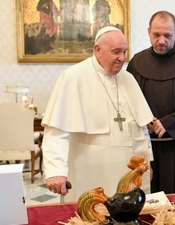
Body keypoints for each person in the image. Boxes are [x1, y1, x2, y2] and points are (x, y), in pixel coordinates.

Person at [41, 26, 154, 202]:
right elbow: (56, 132)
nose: (122, 58)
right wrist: (55, 171)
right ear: (97, 50)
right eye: (116, 52)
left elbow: (141, 130)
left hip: (127, 175)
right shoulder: (73, 77)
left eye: (124, 52)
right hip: (89, 172)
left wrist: (146, 165)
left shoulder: (128, 79)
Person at [126, 11, 175, 194]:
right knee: (145, 199)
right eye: (156, 35)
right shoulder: (137, 62)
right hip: (145, 147)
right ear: (149, 32)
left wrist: (168, 122)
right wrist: (142, 119)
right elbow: (127, 100)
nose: (161, 41)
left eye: (167, 35)